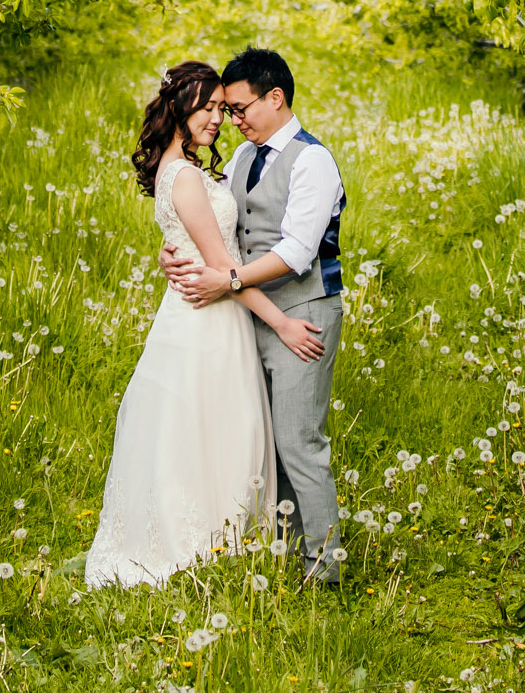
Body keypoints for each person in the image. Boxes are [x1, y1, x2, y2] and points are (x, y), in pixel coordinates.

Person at [84, 61, 324, 590]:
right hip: (209, 317)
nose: (219, 118)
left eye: (224, 107)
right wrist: (283, 323)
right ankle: (204, 539)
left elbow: (203, 252)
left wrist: (175, 256)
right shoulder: (187, 177)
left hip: (209, 309)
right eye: (209, 108)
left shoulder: (183, 169)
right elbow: (222, 269)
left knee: (208, 423)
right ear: (179, 107)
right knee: (210, 424)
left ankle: (226, 534)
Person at [162, 47, 347, 587]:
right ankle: (288, 551)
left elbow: (296, 252)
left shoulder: (313, 160)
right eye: (228, 110)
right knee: (267, 441)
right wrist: (175, 252)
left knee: (299, 440)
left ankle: (324, 567)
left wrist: (231, 280)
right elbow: (215, 230)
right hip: (248, 316)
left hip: (302, 310)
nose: (232, 121)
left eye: (241, 108)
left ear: (276, 98)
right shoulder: (243, 157)